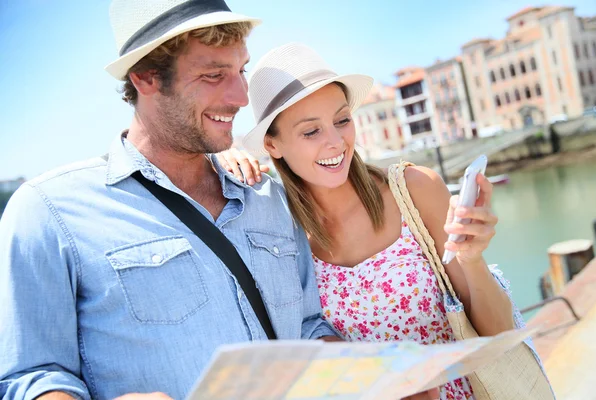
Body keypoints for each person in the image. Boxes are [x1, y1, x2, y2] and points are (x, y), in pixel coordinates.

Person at [0, 2, 346, 399]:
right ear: (146, 77)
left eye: (241, 70)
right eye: (214, 75)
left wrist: (384, 383)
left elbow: (309, 328)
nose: (240, 96)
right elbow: (30, 378)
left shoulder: (269, 198)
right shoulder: (47, 212)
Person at [217, 42, 547, 399]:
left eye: (342, 120)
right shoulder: (284, 237)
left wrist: (472, 260)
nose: (335, 142)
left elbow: (498, 338)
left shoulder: (414, 190)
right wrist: (218, 164)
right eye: (311, 131)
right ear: (272, 145)